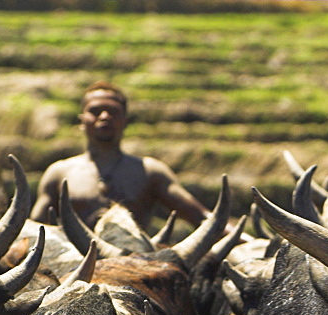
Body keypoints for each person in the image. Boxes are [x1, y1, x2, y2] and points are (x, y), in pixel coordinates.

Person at [31, 81, 210, 230]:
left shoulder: (150, 171)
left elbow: (201, 217)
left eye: (113, 111)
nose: (104, 116)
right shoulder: (59, 173)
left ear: (125, 121)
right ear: (82, 121)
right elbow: (34, 229)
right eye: (95, 111)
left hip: (133, 265)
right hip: (75, 267)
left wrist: (237, 239)